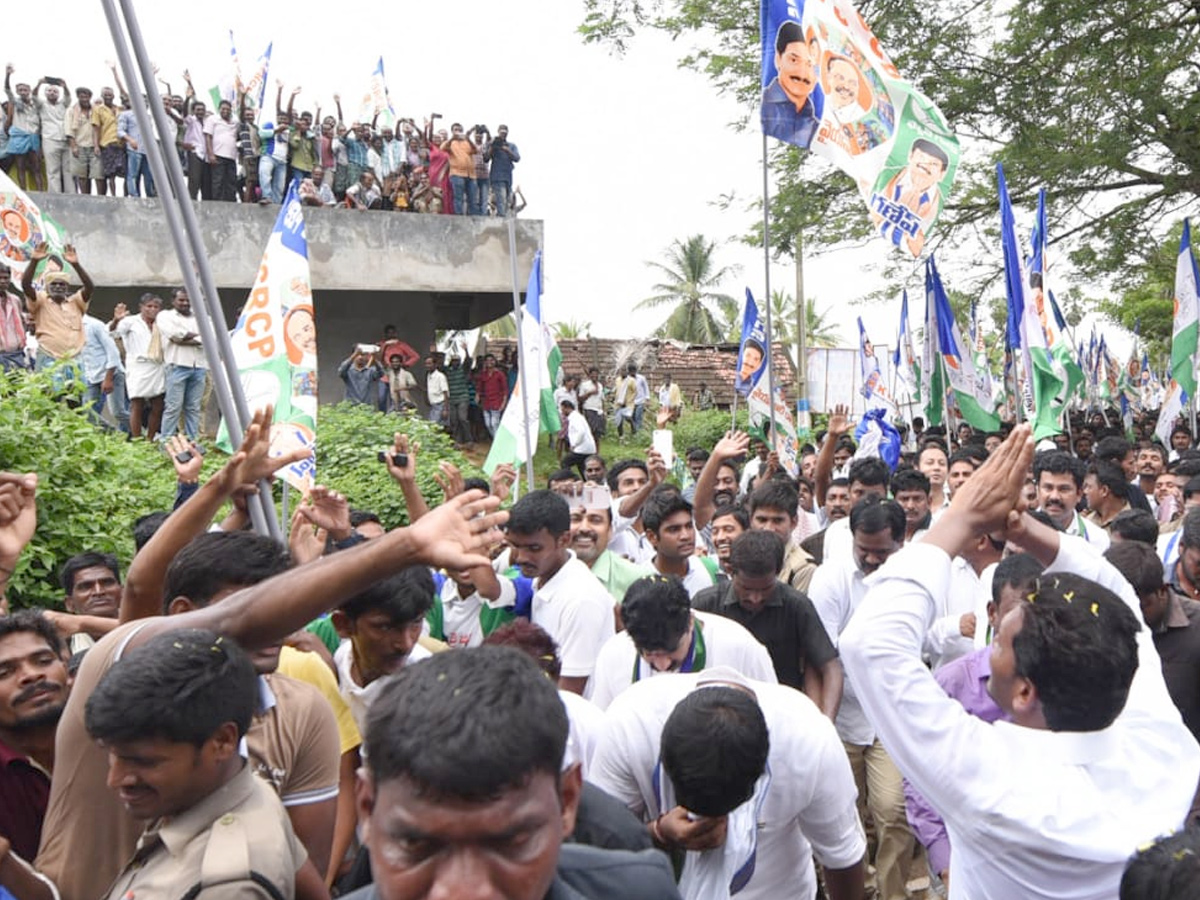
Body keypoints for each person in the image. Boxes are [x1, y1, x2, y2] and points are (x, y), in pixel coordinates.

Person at [839, 423, 1200, 899]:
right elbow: (1119, 599)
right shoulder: (1162, 748)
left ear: (1025, 691)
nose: (989, 644)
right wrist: (1019, 527)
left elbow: (871, 644)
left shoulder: (994, 782)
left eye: (1001, 641)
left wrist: (960, 518)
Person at [343, 646, 681, 900]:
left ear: (567, 802)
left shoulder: (641, 891)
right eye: (416, 844)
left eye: (511, 842)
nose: (464, 891)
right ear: (367, 808)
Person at [591, 667, 866, 900]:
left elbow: (841, 856)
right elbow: (599, 845)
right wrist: (659, 833)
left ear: (758, 779)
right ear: (663, 758)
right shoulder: (630, 727)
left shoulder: (809, 742)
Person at [85, 629, 306, 900]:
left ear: (223, 742)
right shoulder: (239, 790)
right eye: (112, 754)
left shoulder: (226, 886)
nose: (115, 779)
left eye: (143, 761)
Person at [808, 497, 921, 900]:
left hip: (891, 717)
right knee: (844, 816)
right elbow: (823, 653)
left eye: (882, 552)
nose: (872, 560)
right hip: (843, 717)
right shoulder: (831, 578)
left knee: (895, 812)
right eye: (864, 551)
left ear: (901, 543)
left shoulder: (913, 579)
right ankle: (860, 889)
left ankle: (892, 892)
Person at [693, 531, 841, 716]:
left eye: (765, 589)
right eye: (746, 588)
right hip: (717, 714)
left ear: (778, 572)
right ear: (731, 571)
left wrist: (824, 725)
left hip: (781, 715)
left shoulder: (796, 606)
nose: (755, 598)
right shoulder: (705, 604)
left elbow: (830, 668)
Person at [590, 574, 776, 710]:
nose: (662, 665)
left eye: (671, 651)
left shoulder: (740, 647)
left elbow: (772, 715)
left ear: (689, 621)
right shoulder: (613, 653)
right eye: (649, 654)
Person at [505, 490, 616, 695]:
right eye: (515, 546)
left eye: (534, 548)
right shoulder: (541, 579)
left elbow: (569, 693)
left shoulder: (581, 599)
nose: (520, 557)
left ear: (564, 539)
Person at [1106, 539, 1200, 743]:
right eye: (1121, 606)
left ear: (1163, 591)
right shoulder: (1101, 624)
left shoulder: (1196, 629)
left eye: (1140, 606)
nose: (1130, 616)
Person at [332, 567, 435, 733]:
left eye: (416, 622)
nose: (406, 644)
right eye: (385, 627)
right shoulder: (340, 661)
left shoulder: (427, 689)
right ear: (344, 624)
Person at [0, 612, 68, 862]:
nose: (31, 675)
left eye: (42, 660)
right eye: (4, 672)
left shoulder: (114, 741)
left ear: (65, 665)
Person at [868, 138, 949, 257]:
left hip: (899, 256)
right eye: (921, 157)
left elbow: (920, 243)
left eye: (934, 164)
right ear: (910, 156)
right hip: (871, 243)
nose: (925, 165)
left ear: (942, 175)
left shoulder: (940, 206)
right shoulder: (885, 175)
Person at [567, 496, 653, 607]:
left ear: (610, 530)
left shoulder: (639, 579)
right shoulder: (545, 576)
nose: (584, 528)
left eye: (595, 520)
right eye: (575, 519)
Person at [641, 490, 717, 598]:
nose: (685, 536)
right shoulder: (639, 579)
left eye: (689, 526)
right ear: (652, 537)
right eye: (673, 529)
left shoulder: (709, 568)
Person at [760, 21, 824, 146]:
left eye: (810, 64)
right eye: (794, 60)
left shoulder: (819, 132)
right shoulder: (761, 110)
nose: (802, 72)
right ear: (778, 58)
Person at [155, 288, 207, 440]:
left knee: (193, 408)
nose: (185, 303)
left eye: (188, 300)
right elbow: (174, 336)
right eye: (181, 300)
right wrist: (199, 338)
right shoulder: (165, 316)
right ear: (173, 301)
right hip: (176, 366)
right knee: (173, 408)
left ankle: (192, 443)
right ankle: (166, 444)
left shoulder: (202, 317)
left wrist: (186, 338)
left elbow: (211, 337)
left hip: (199, 367)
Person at [110, 294, 165, 440]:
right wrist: (116, 320)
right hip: (138, 366)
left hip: (157, 366)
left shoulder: (162, 323)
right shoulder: (130, 321)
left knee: (158, 405)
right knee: (137, 404)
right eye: (149, 306)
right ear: (141, 307)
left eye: (155, 307)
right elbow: (112, 332)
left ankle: (150, 439)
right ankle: (137, 439)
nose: (152, 309)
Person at [1034, 449, 1111, 551]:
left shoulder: (1097, 540)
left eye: (1064, 489)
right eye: (1048, 488)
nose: (1054, 496)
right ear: (1037, 490)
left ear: (1079, 494)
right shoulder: (1019, 532)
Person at [483, 125, 520, 216]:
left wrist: (506, 150)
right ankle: (502, 218)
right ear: (498, 132)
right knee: (501, 198)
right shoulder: (493, 144)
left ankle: (504, 217)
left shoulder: (511, 145)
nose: (503, 133)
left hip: (508, 176)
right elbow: (486, 158)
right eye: (501, 131)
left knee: (507, 199)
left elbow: (517, 158)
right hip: (497, 176)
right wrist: (492, 146)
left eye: (505, 131)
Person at [0, 263, 29, 372]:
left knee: (18, 387)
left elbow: (22, 323)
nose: (3, 281)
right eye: (0, 278)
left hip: (16, 356)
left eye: (6, 278)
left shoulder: (15, 300)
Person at [560, 399, 597, 480]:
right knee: (582, 467)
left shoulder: (574, 418)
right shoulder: (578, 416)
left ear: (567, 408)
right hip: (588, 447)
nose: (562, 412)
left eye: (562, 409)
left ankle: (570, 479)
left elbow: (581, 431)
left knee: (565, 463)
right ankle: (586, 482)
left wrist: (574, 444)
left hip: (581, 448)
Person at [473, 353, 508, 436]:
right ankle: (496, 441)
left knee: (494, 423)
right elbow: (479, 388)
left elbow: (505, 390)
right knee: (488, 424)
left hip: (497, 402)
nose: (489, 362)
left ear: (495, 361)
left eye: (491, 360)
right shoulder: (483, 374)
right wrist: (477, 396)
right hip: (486, 403)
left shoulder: (499, 374)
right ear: (485, 362)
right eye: (487, 360)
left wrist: (504, 402)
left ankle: (498, 445)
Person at [578, 366, 606, 446]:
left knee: (598, 434)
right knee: (590, 432)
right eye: (593, 374)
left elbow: (602, 399)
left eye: (596, 375)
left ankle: (597, 452)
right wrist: (589, 393)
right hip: (589, 410)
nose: (594, 376)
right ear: (589, 375)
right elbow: (580, 399)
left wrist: (604, 411)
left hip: (599, 411)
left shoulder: (600, 385)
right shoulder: (584, 385)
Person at [425, 355, 448, 425]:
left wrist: (445, 409)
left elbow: (445, 393)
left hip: (440, 405)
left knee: (433, 426)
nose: (427, 366)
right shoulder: (428, 375)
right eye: (426, 364)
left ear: (435, 364)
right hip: (433, 406)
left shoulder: (440, 376)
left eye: (429, 363)